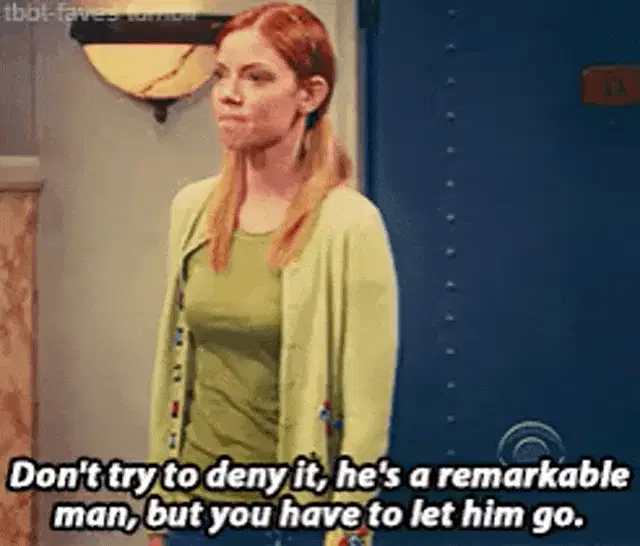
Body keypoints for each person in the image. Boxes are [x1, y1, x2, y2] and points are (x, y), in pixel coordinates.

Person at [146, 2, 398, 545]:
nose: (228, 94)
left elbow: (367, 410)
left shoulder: (348, 225)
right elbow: (175, 369)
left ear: (310, 95)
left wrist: (348, 528)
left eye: (256, 77)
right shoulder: (193, 210)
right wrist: (160, 508)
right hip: (191, 512)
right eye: (222, 75)